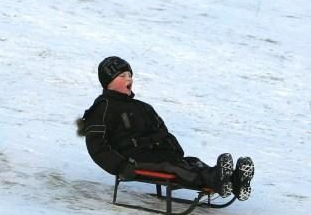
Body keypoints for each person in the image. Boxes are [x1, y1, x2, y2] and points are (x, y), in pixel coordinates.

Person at [76, 56, 254, 201]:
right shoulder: (103, 107)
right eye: (122, 76)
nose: (129, 79)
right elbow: (97, 146)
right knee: (172, 167)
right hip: (132, 159)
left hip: (159, 153)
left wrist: (173, 149)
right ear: (108, 82)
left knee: (191, 162)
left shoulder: (142, 107)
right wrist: (121, 166)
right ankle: (217, 180)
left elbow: (162, 131)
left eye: (130, 75)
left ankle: (234, 181)